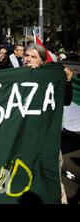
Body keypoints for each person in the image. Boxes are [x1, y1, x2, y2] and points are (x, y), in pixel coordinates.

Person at [23, 42, 73, 204]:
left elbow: (66, 100)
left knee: (51, 177)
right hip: (22, 140)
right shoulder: (14, 77)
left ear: (42, 61)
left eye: (33, 57)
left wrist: (67, 81)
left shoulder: (49, 79)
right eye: (26, 55)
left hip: (46, 140)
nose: (28, 59)